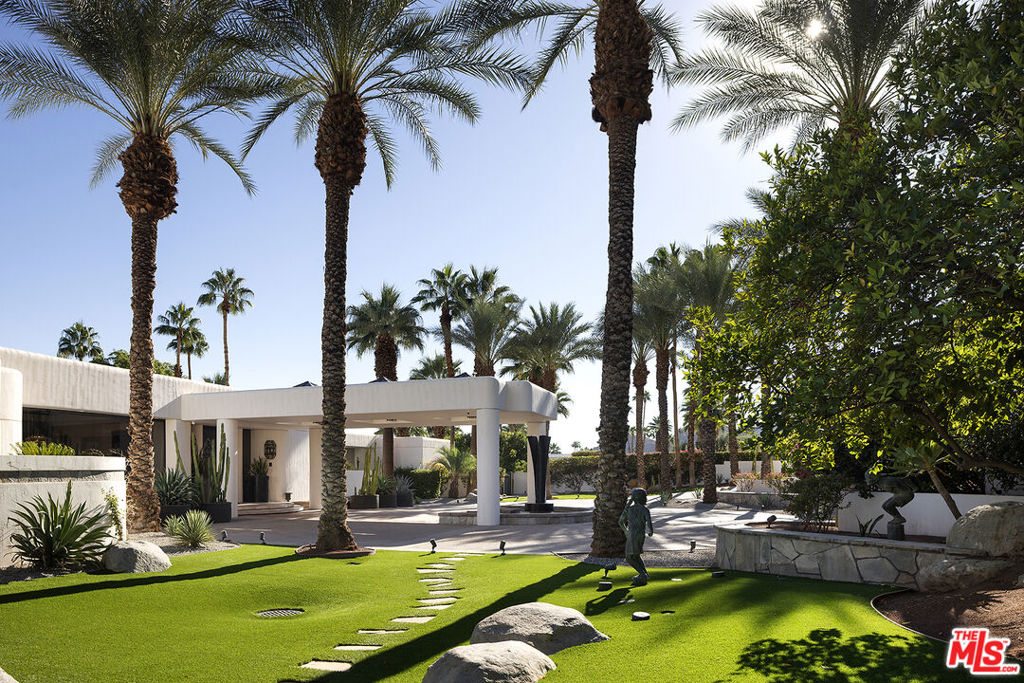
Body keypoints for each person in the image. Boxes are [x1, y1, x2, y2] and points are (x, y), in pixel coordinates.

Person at [618, 487, 654, 586]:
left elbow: (620, 521)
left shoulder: (629, 509)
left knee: (629, 558)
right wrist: (651, 531)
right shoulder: (645, 510)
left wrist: (626, 531)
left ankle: (642, 574)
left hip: (632, 534)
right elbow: (649, 523)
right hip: (641, 535)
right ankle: (645, 574)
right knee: (636, 555)